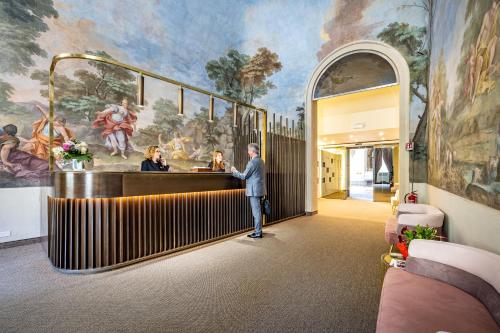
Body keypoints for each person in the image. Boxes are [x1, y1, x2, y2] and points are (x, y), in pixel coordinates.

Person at [231, 143, 266, 238]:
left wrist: (234, 171)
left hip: (254, 191)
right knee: (258, 211)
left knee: (256, 212)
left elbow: (244, 176)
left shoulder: (252, 162)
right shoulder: (261, 161)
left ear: (252, 151)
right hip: (260, 190)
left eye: (249, 150)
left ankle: (258, 232)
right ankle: (258, 230)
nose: (248, 152)